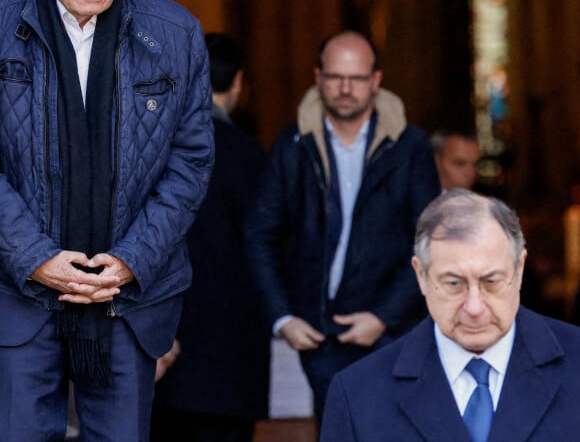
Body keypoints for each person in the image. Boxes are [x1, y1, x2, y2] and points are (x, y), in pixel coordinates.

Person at [0, 0, 214, 441]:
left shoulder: (174, 33)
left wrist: (131, 259)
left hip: (129, 297)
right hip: (17, 294)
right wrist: (34, 257)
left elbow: (189, 162)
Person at [244, 29, 441, 422]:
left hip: (393, 329)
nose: (346, 88)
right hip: (319, 334)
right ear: (318, 78)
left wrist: (384, 316)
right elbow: (259, 234)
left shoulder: (409, 146)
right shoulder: (294, 144)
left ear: (377, 80)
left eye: (357, 78)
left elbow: (430, 241)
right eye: (335, 77)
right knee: (338, 429)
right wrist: (283, 318)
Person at [320, 189, 580, 441]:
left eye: (491, 282)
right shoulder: (357, 394)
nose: (474, 307)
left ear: (519, 268)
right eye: (454, 284)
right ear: (421, 275)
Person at [150, 33, 270, 442]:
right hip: (232, 354)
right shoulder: (250, 156)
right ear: (237, 82)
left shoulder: (155, 150)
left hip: (167, 347)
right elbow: (265, 248)